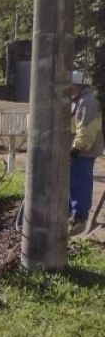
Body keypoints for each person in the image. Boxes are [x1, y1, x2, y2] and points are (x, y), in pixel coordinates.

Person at [69, 70, 104, 234]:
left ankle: (79, 217)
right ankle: (72, 215)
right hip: (79, 149)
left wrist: (77, 148)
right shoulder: (77, 100)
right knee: (71, 182)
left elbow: (86, 128)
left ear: (77, 86)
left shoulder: (86, 103)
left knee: (80, 183)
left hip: (84, 151)